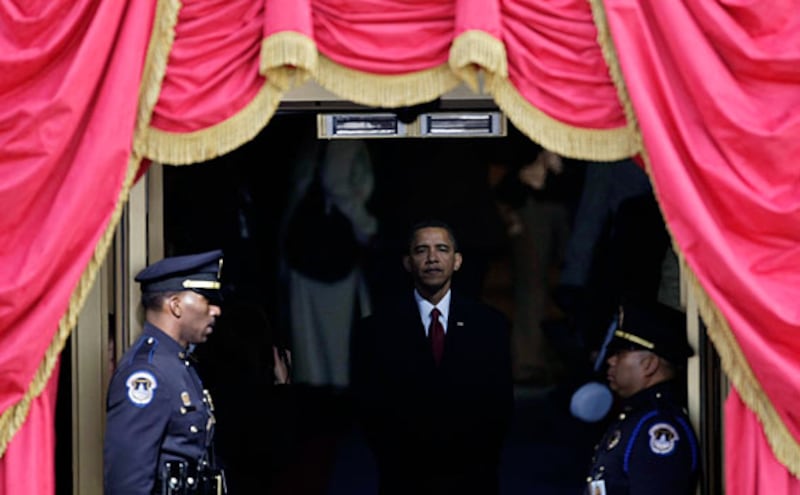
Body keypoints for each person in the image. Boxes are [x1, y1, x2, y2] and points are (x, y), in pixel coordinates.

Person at [350, 219, 513, 495]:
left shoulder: (490, 324)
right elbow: (369, 406)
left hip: (473, 475)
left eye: (441, 249)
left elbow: (499, 404)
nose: (432, 258)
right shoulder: (376, 329)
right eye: (421, 250)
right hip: (403, 475)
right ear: (407, 262)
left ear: (457, 260)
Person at [103, 249, 228, 495]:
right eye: (206, 299)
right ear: (176, 306)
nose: (216, 311)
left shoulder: (179, 365)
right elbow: (128, 483)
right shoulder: (146, 374)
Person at [584, 299, 700, 495]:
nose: (611, 361)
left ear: (649, 364)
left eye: (620, 353)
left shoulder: (657, 428)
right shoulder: (636, 419)